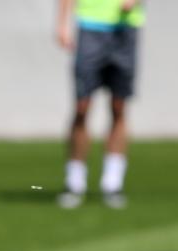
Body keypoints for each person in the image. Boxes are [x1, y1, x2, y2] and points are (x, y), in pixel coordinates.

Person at [56, 0, 145, 209]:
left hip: (125, 27)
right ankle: (74, 182)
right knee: (82, 107)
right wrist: (62, 24)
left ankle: (112, 183)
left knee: (118, 107)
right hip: (91, 25)